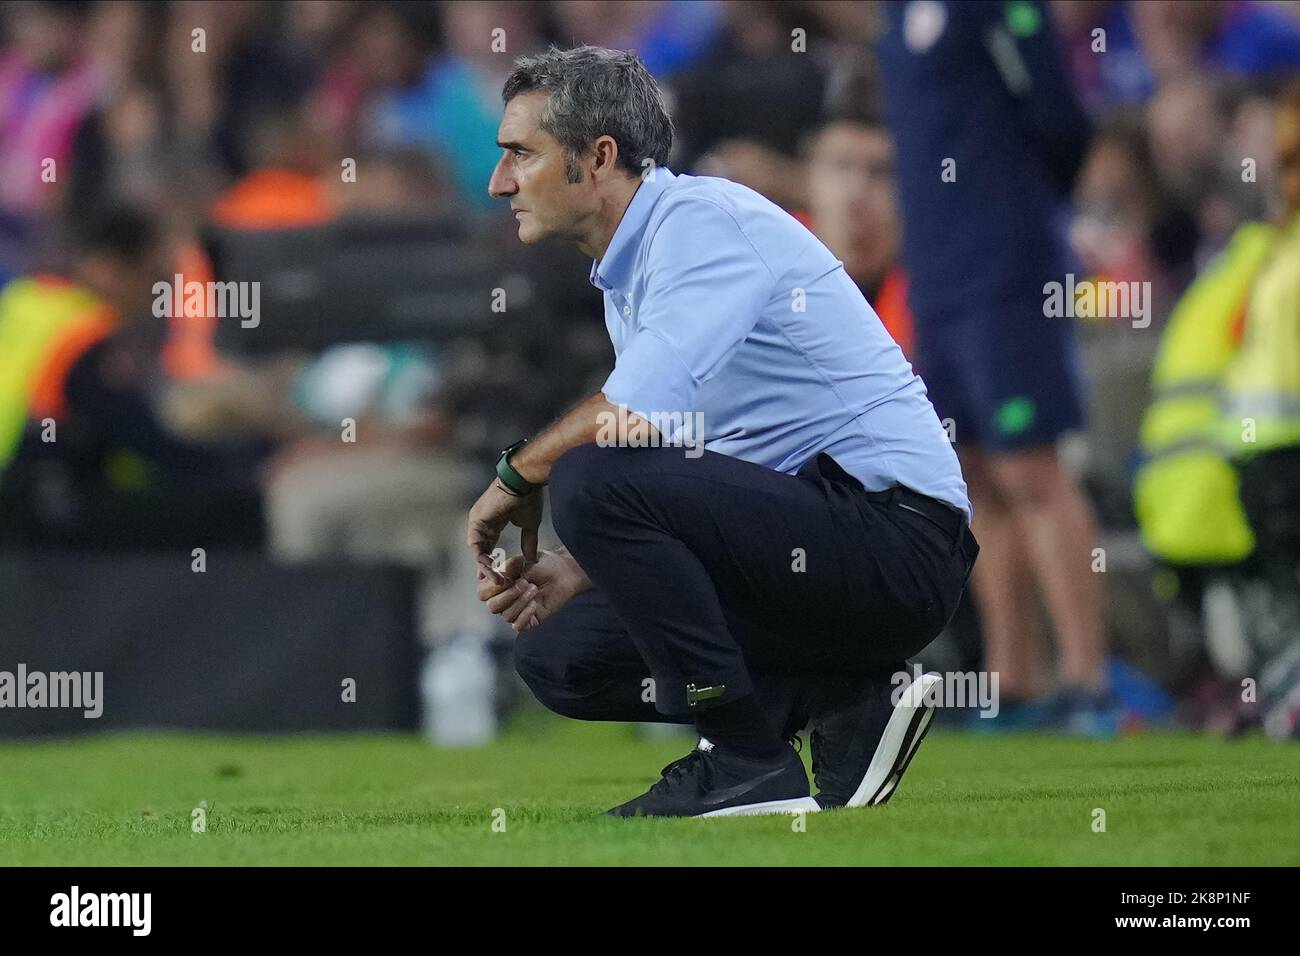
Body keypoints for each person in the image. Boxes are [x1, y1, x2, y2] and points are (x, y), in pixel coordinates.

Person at [466, 46, 978, 818]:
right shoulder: (636, 266)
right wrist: (582, 564)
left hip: (898, 541)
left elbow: (628, 427)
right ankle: (849, 694)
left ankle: (744, 762)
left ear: (598, 157)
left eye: (521, 155)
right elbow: (714, 471)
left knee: (588, 472)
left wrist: (514, 476)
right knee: (560, 656)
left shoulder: (699, 224)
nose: (500, 182)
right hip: (828, 535)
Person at [877, 0, 1110, 733]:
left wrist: (1013, 211)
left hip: (1006, 264)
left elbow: (1063, 122)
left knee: (1030, 468)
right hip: (937, 272)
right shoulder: (900, 13)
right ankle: (1016, 682)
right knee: (972, 471)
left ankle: (1087, 681)